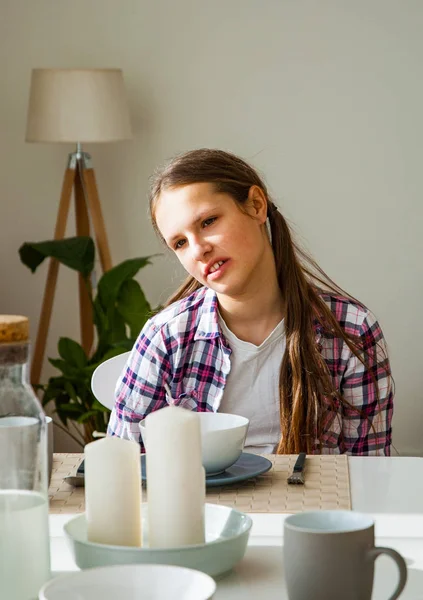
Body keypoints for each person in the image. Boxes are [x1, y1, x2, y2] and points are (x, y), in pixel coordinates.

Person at [107, 148, 393, 455]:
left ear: (256, 205)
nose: (198, 249)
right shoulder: (165, 336)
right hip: (200, 503)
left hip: (312, 503)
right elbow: (123, 464)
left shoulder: (351, 331)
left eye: (208, 222)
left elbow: (368, 471)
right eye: (180, 242)